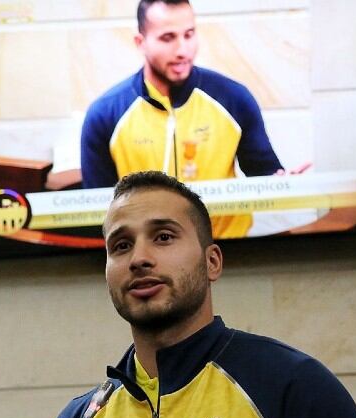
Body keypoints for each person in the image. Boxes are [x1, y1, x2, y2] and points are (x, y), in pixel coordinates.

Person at [44, 171, 356, 418]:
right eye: (121, 245)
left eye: (163, 237)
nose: (139, 258)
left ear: (212, 262)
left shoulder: (293, 387)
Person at [80, 0, 284, 239]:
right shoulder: (104, 114)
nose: (182, 50)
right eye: (168, 38)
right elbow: (97, 214)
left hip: (227, 253)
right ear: (140, 42)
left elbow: (266, 176)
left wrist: (285, 183)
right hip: (147, 262)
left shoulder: (234, 98)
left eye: (189, 35)